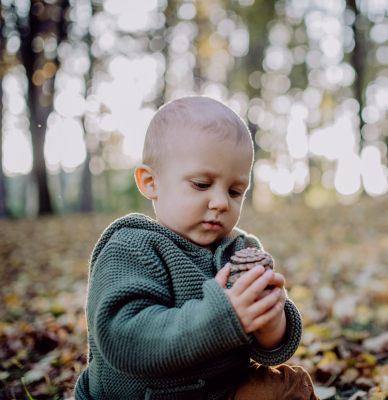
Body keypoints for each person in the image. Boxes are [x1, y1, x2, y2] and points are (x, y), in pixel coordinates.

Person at [74, 96, 319, 400]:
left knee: (290, 386)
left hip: (223, 390)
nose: (220, 202)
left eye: (235, 191)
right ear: (151, 182)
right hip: (142, 396)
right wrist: (220, 318)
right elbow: (124, 341)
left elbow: (271, 352)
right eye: (202, 184)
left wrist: (270, 322)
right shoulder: (131, 247)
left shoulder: (240, 249)